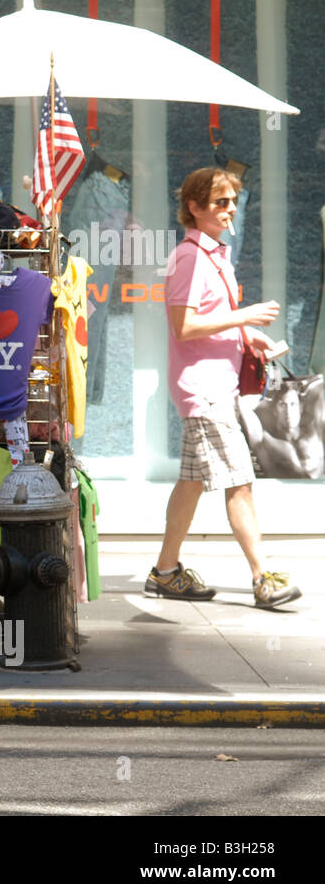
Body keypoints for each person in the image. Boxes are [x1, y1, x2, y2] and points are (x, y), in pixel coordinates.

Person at [148, 167, 301, 610]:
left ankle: (165, 571)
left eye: (233, 200)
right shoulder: (192, 257)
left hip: (212, 387)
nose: (230, 208)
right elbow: (183, 326)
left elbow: (205, 322)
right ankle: (263, 577)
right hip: (205, 392)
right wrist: (245, 316)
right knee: (240, 483)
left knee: (191, 484)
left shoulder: (212, 255)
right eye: (220, 202)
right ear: (194, 208)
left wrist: (248, 338)